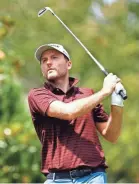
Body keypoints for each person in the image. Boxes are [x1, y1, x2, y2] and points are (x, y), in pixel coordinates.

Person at [28, 43, 125, 184]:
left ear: (68, 64)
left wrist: (117, 102)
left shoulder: (88, 94)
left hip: (93, 177)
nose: (48, 62)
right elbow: (68, 112)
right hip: (57, 179)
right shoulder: (37, 95)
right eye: (44, 60)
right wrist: (105, 92)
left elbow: (112, 135)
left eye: (54, 57)